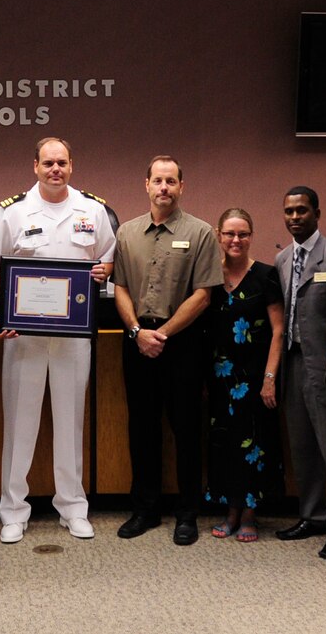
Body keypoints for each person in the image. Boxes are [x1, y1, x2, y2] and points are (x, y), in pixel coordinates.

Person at [0, 137, 115, 544]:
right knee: (20, 422)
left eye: (62, 163)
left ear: (72, 165)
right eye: (47, 163)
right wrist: (6, 310)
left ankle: (72, 507)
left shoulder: (93, 210)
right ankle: (13, 511)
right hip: (24, 336)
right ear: (34, 166)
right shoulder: (14, 212)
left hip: (74, 337)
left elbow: (107, 258)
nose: (55, 169)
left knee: (71, 421)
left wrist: (103, 272)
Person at [112, 155, 223, 546]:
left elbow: (204, 294)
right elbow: (120, 287)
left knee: (187, 428)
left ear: (181, 187)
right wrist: (139, 331)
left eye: (171, 181)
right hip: (137, 338)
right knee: (141, 427)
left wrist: (164, 335)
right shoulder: (126, 232)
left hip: (183, 343)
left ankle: (187, 512)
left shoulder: (201, 233)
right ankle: (145, 509)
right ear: (146, 185)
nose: (164, 188)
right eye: (157, 180)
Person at [274, 187, 326, 559]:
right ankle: (313, 515)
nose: (294, 217)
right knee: (302, 445)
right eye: (289, 211)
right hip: (293, 361)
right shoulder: (283, 259)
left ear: (317, 214)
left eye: (302, 210)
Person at [205, 208, 284, 543]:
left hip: (254, 377)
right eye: (229, 234)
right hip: (219, 376)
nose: (236, 240)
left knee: (254, 444)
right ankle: (231, 509)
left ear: (251, 236)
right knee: (224, 443)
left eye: (243, 234)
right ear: (218, 235)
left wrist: (269, 378)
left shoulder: (267, 275)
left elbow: (279, 331)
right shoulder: (208, 276)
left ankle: (249, 513)